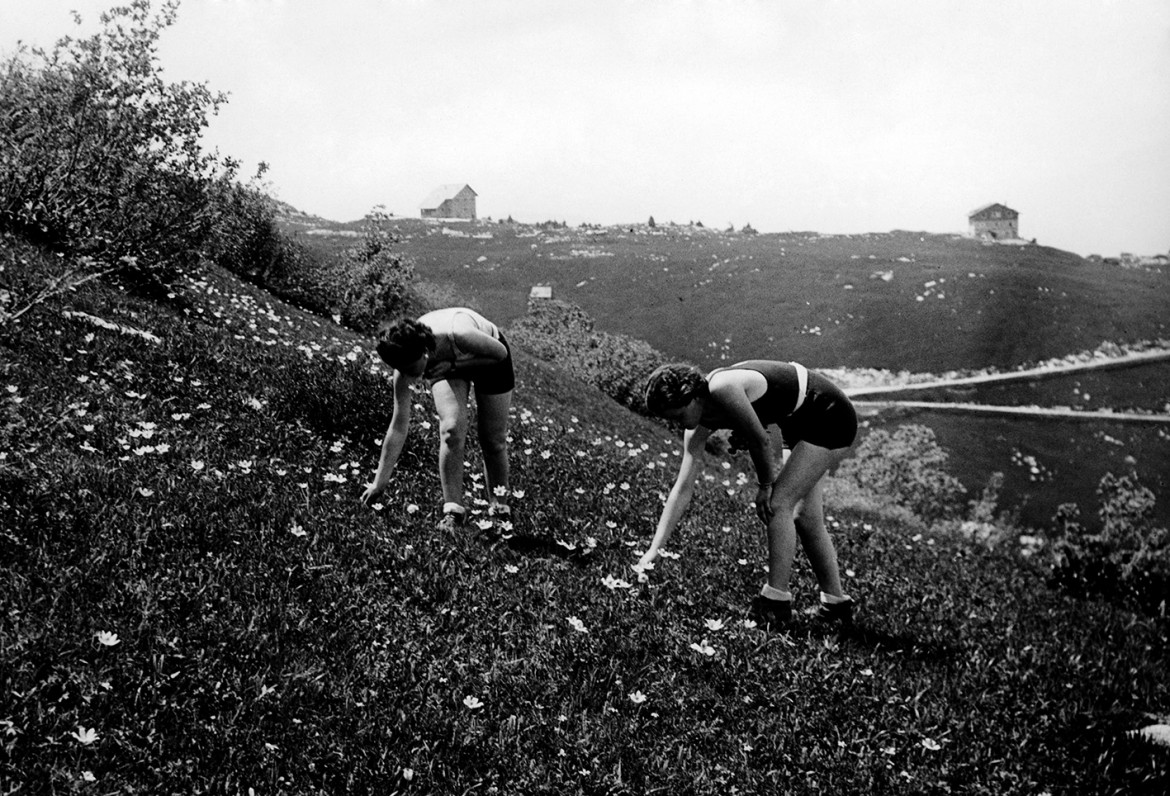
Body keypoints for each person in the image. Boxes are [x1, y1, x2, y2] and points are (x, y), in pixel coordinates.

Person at [638, 360, 858, 627]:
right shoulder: (698, 422)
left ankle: (775, 604)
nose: (677, 423)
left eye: (679, 414)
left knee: (777, 505)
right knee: (807, 518)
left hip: (827, 411)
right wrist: (653, 551)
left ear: (693, 396)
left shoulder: (722, 388)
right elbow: (682, 488)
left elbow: (760, 440)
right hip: (797, 421)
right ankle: (837, 605)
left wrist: (765, 487)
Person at [361, 307, 514, 531]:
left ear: (423, 353)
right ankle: (453, 511)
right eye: (403, 371)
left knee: (493, 439)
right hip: (443, 362)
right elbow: (398, 426)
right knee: (451, 429)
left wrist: (454, 366)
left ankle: (500, 512)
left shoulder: (460, 334)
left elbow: (500, 354)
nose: (410, 377)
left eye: (412, 370)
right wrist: (378, 482)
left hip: (489, 357)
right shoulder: (406, 362)